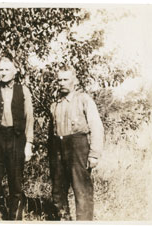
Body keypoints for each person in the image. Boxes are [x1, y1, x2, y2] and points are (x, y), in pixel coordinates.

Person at [0, 55, 34, 220]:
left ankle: (14, 218)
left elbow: (29, 118)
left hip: (17, 139)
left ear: (15, 71)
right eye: (0, 69)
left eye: (7, 69)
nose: (3, 73)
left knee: (15, 182)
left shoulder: (23, 91)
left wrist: (29, 143)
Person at [48, 66, 104, 220]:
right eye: (59, 80)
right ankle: (63, 220)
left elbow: (96, 126)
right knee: (58, 190)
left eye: (65, 79)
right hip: (58, 148)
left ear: (74, 81)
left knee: (82, 190)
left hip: (78, 147)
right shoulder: (55, 104)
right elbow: (50, 132)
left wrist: (94, 154)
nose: (62, 83)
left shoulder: (83, 99)